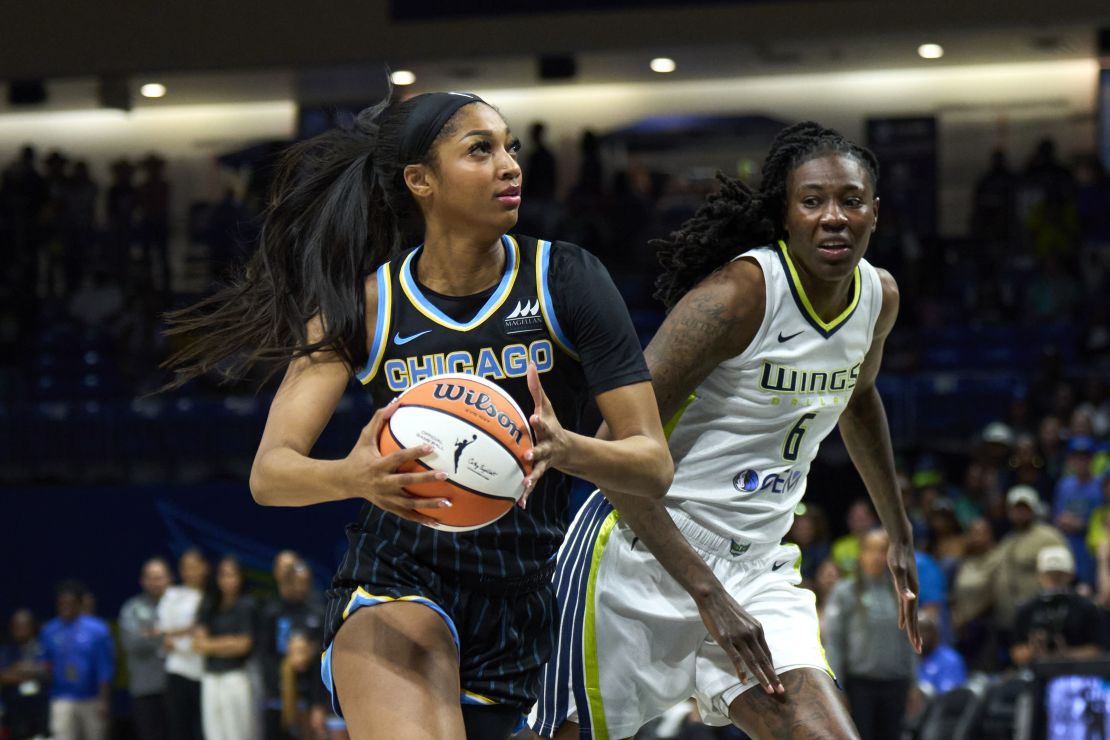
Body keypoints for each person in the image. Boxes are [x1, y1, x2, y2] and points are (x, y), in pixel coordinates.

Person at [162, 89, 672, 740]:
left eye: (510, 147)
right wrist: (353, 477)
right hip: (398, 579)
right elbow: (271, 473)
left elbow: (652, 464)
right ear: (420, 181)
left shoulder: (566, 280)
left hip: (524, 598)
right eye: (480, 150)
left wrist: (569, 450)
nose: (510, 165)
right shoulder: (367, 306)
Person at [534, 121, 920, 740]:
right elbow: (612, 449)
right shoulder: (739, 296)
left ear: (876, 210)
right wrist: (706, 594)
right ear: (785, 214)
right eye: (812, 199)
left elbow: (860, 395)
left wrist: (898, 531)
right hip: (643, 552)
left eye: (851, 199)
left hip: (758, 562)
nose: (834, 216)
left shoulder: (879, 297)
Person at [824, 531, 918, 740]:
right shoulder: (844, 592)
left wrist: (913, 683)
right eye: (871, 550)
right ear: (861, 554)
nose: (876, 557)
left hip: (896, 683)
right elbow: (835, 643)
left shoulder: (900, 593)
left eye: (882, 551)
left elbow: (908, 642)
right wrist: (837, 688)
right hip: (859, 685)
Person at [40, 581, 115, 740]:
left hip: (92, 698)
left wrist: (104, 700)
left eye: (71, 603)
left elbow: (105, 667)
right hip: (61, 698)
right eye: (62, 603)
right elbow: (45, 664)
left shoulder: (97, 629)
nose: (66, 607)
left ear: (80, 604)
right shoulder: (49, 630)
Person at [195, 555, 257, 740]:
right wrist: (229, 642)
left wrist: (212, 644)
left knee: (238, 733)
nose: (228, 580)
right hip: (210, 677)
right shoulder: (208, 604)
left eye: (232, 575)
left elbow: (244, 645)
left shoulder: (247, 605)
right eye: (223, 575)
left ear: (240, 578)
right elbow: (198, 644)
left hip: (235, 676)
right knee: (213, 733)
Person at [1010, 545, 1104, 666]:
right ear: (1040, 576)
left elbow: (1099, 650)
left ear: (1070, 575)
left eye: (1059, 575)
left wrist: (1066, 654)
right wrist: (1033, 650)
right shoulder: (1027, 610)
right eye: (1049, 575)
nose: (1054, 580)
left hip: (1078, 674)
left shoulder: (1086, 608)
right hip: (1036, 674)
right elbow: (1015, 653)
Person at [119, 557, 173, 740]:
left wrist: (150, 633)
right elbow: (132, 644)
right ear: (142, 581)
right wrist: (165, 637)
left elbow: (190, 639)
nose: (155, 582)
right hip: (145, 689)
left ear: (169, 578)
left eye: (159, 577)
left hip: (177, 688)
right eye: (151, 577)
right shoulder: (132, 609)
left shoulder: (180, 605)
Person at [158, 548, 208, 740]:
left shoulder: (212, 597)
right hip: (178, 672)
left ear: (204, 568)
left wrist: (180, 641)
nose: (191, 572)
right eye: (186, 567)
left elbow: (201, 635)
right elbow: (165, 631)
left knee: (204, 730)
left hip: (206, 674)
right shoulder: (172, 596)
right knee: (179, 730)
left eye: (195, 567)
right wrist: (187, 640)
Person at [0, 609, 50, 739]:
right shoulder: (6, 650)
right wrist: (31, 672)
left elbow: (48, 673)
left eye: (23, 626)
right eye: (16, 626)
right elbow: (3, 677)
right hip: (15, 707)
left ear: (32, 627)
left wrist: (20, 669)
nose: (19, 629)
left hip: (40, 707)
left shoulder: (43, 648)